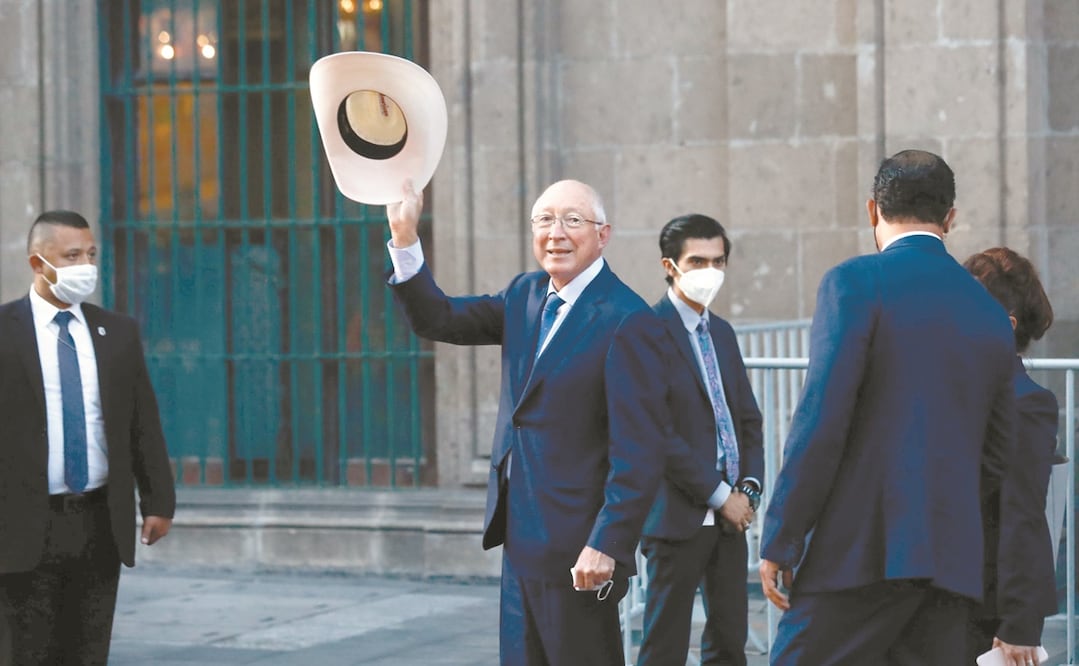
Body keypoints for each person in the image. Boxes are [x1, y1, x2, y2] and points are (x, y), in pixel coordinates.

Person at [758, 150, 1038, 665]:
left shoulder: (854, 283)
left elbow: (821, 421)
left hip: (857, 552)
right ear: (950, 218)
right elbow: (998, 453)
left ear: (872, 211)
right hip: (950, 559)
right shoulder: (991, 315)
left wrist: (782, 536)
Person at [384, 179, 667, 665]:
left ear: (603, 235)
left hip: (580, 551)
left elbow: (639, 453)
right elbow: (440, 318)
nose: (555, 232)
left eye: (572, 220)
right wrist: (405, 236)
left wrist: (607, 544)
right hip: (520, 538)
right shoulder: (525, 294)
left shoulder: (627, 319)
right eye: (544, 220)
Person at [0, 210, 176, 665]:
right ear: (39, 263)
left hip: (98, 520)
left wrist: (157, 501)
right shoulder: (5, 331)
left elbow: (142, 420)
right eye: (72, 255)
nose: (86, 266)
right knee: (26, 651)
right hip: (22, 522)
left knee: (88, 649)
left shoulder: (116, 332)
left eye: (91, 254)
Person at [636, 214, 763, 666]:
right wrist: (717, 494)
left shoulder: (723, 334)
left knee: (731, 641)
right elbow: (658, 432)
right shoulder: (645, 332)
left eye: (718, 260)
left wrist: (747, 490)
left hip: (731, 519)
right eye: (697, 260)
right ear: (670, 265)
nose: (710, 271)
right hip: (676, 515)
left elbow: (748, 420)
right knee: (663, 646)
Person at [963, 247, 1058, 664]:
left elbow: (1023, 512)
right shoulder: (951, 390)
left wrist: (1020, 621)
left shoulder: (1027, 402)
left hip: (986, 610)